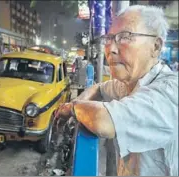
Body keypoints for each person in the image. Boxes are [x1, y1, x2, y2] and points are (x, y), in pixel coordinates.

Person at [56, 5, 178, 176]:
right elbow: (99, 88)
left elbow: (103, 121)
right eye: (109, 38)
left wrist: (73, 107)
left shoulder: (170, 93)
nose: (111, 49)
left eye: (125, 37)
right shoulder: (128, 83)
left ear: (156, 46)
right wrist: (80, 102)